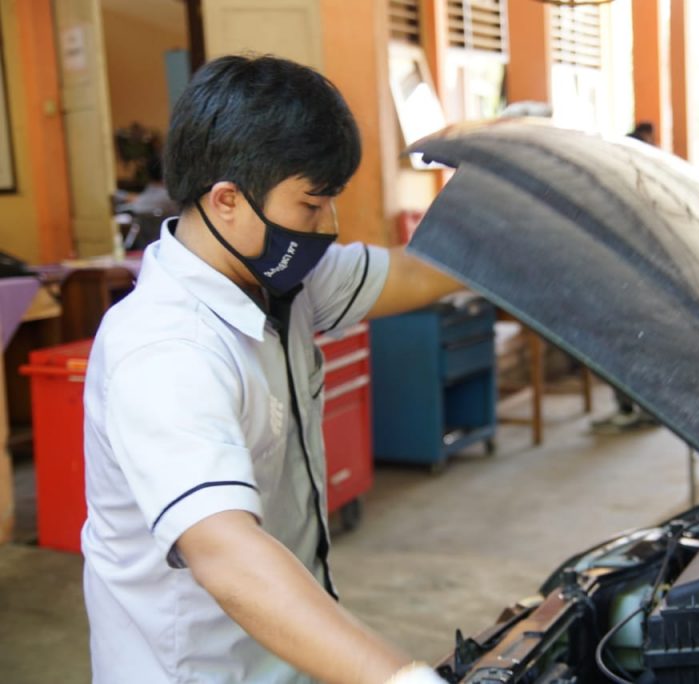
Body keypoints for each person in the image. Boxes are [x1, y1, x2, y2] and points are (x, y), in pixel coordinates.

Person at [82, 55, 460, 684]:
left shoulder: (277, 279)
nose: (327, 228)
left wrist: (519, 217)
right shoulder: (164, 349)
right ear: (227, 199)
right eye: (311, 205)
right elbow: (227, 556)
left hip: (282, 655)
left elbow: (417, 273)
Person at [591, 122, 660, 434]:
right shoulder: (628, 186)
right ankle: (632, 406)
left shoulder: (643, 187)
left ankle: (640, 407)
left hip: (635, 285)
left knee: (628, 345)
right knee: (622, 346)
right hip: (623, 282)